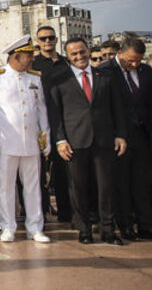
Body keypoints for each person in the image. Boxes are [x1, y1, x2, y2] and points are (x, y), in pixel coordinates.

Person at [49, 38, 128, 245]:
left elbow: (117, 108)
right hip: (75, 142)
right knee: (78, 188)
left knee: (106, 187)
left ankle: (108, 230)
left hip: (104, 140)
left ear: (88, 51)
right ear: (68, 56)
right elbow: (55, 114)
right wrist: (60, 140)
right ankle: (84, 229)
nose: (79, 57)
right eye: (74, 54)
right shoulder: (59, 80)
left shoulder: (105, 76)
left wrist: (120, 134)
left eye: (82, 52)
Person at [0, 35, 52, 243]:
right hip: (6, 141)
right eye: (28, 55)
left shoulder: (35, 79)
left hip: (30, 141)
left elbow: (41, 110)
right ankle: (8, 225)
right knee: (5, 186)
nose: (32, 59)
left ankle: (35, 227)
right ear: (16, 56)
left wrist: (45, 135)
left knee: (33, 186)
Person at [101, 36, 152, 240]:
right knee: (121, 183)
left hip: (143, 135)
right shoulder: (105, 72)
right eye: (130, 60)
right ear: (120, 53)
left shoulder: (146, 72)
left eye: (138, 60)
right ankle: (126, 225)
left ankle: (146, 224)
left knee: (142, 183)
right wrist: (115, 134)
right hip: (119, 137)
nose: (134, 64)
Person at [31, 25, 71, 223]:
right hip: (41, 122)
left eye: (51, 38)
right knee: (40, 173)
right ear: (37, 41)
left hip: (64, 122)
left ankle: (66, 211)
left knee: (64, 171)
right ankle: (42, 212)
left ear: (56, 39)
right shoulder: (34, 64)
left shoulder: (66, 62)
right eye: (43, 38)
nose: (47, 41)